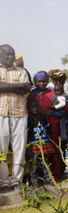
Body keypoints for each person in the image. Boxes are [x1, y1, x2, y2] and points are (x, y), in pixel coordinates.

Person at [0, 44, 31, 193]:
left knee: (19, 148)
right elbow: (22, 87)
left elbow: (26, 88)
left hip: (19, 113)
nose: (11, 57)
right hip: (1, 113)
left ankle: (16, 181)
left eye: (12, 54)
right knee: (1, 150)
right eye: (7, 55)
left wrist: (4, 86)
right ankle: (4, 182)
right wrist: (17, 87)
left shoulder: (22, 71)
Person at [28, 71, 63, 182]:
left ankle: (55, 175)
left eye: (44, 81)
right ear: (35, 82)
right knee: (36, 151)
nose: (41, 84)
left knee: (53, 149)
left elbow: (62, 110)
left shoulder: (53, 93)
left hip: (52, 123)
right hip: (35, 125)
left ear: (47, 81)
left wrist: (49, 113)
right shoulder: (31, 94)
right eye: (38, 81)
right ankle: (40, 176)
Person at [26, 99, 55, 187]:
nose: (34, 109)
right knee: (33, 164)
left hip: (44, 142)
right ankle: (34, 181)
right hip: (34, 144)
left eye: (36, 107)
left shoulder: (42, 118)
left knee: (45, 162)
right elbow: (27, 133)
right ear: (28, 108)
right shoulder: (28, 119)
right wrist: (28, 146)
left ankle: (49, 179)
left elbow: (47, 130)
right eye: (32, 107)